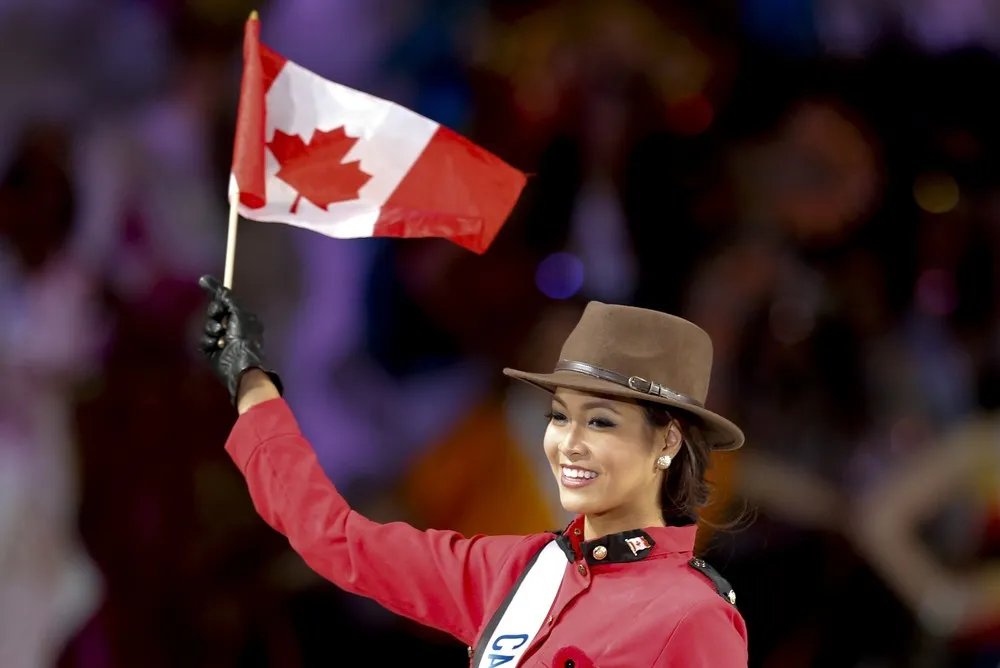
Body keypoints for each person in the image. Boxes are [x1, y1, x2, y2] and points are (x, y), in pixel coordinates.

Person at [197, 273, 748, 667]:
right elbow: (339, 538)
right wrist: (251, 381)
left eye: (601, 422)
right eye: (559, 417)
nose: (569, 444)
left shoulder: (693, 616)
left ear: (666, 442)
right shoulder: (513, 571)